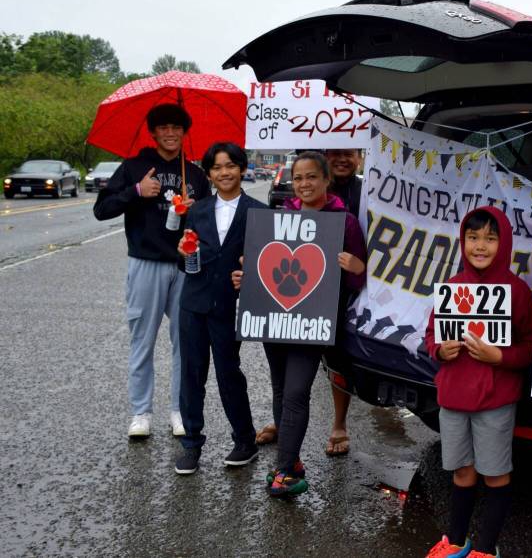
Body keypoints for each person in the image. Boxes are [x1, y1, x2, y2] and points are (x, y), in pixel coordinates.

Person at [233, 151, 367, 497]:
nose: (305, 184)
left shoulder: (345, 221)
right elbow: (262, 270)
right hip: (275, 319)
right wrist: (247, 276)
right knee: (281, 390)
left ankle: (284, 471)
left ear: (326, 181)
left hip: (314, 322)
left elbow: (358, 282)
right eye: (299, 177)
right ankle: (290, 463)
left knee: (296, 391)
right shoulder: (278, 218)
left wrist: (357, 268)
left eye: (312, 177)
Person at [424, 207, 532, 558]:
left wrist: (500, 358)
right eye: (473, 237)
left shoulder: (517, 291)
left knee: (495, 475)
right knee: (461, 472)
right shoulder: (453, 287)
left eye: (491, 238)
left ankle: (487, 549)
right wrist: (440, 350)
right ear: (463, 242)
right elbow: (431, 335)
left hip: (495, 401)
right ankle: (456, 542)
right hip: (453, 399)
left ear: (503, 244)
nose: (480, 245)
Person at [94, 103, 210, 439]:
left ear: (185, 132)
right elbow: (101, 209)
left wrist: (194, 210)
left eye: (177, 127)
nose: (171, 133)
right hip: (145, 263)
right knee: (142, 340)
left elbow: (208, 224)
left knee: (184, 342)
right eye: (164, 127)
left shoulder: (196, 175)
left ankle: (179, 410)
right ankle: (140, 413)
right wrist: (136, 191)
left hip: (185, 266)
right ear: (153, 132)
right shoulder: (134, 167)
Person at [173, 142, 265, 475]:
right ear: (208, 173)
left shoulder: (259, 212)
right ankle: (192, 443)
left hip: (229, 305)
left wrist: (250, 275)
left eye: (230, 165)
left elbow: (268, 267)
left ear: (242, 168)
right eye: (216, 167)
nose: (224, 172)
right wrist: (184, 255)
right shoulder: (196, 211)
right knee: (191, 374)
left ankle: (245, 440)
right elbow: (185, 263)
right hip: (193, 304)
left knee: (229, 374)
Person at [322, 147, 364, 456]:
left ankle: (339, 423)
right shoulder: (311, 188)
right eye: (333, 153)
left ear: (360, 156)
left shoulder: (372, 191)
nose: (341, 159)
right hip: (308, 288)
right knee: (291, 362)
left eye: (347, 153)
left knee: (340, 361)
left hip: (354, 290)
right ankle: (281, 422)